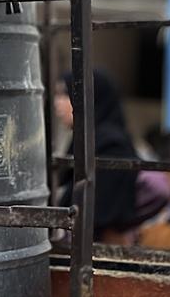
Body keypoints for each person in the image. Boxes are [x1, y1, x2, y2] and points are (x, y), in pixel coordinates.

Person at [55, 69, 141, 243]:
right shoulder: (87, 140)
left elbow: (100, 214)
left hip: (97, 254)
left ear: (89, 99)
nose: (58, 103)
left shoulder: (111, 145)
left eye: (66, 95)